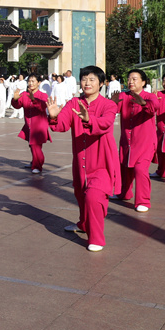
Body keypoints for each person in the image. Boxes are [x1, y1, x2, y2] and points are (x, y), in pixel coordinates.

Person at [48, 66, 118, 252]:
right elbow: (62, 125)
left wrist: (88, 120)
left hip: (102, 161)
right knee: (81, 194)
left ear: (101, 83)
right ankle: (83, 224)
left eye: (92, 79)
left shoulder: (108, 105)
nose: (87, 82)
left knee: (94, 196)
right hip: (81, 161)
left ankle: (96, 238)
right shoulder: (73, 103)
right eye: (84, 79)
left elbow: (105, 123)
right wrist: (53, 116)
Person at [117, 69, 161, 213]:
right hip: (126, 140)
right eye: (129, 79)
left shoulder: (149, 96)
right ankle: (124, 193)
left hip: (145, 142)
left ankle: (143, 201)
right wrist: (111, 103)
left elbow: (154, 107)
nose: (130, 81)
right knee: (124, 167)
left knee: (140, 169)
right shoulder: (123, 96)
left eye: (134, 79)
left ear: (143, 82)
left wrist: (143, 103)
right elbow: (111, 109)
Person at [12, 73, 50, 174]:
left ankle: (37, 165)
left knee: (35, 146)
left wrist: (34, 100)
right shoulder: (24, 94)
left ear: (39, 83)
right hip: (29, 124)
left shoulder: (43, 95)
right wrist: (15, 99)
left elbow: (42, 107)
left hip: (39, 125)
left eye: (33, 81)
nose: (31, 83)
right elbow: (17, 105)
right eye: (29, 81)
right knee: (32, 145)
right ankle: (34, 161)